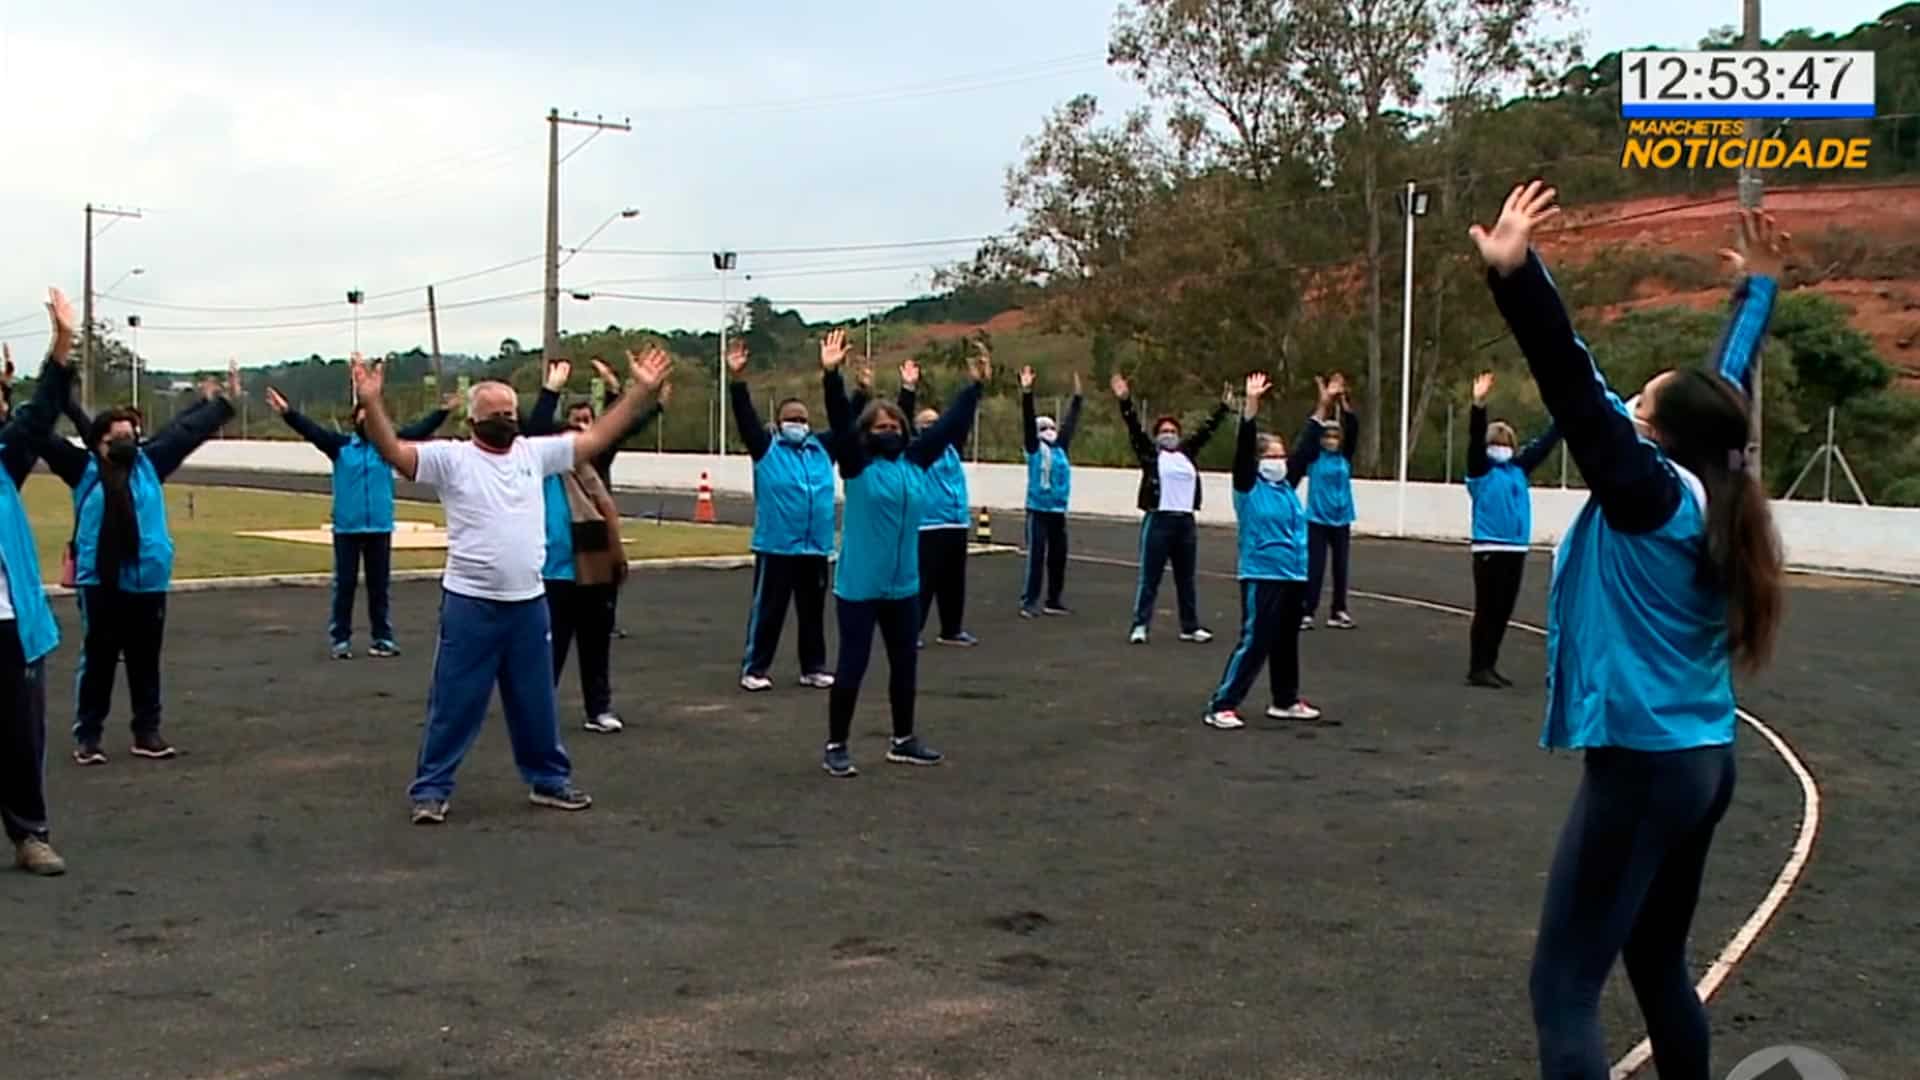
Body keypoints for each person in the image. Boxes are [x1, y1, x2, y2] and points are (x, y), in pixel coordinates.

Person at [1471, 184, 1786, 1080]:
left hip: (1645, 769)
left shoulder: (1648, 494)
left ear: (1657, 435)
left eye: (1641, 406)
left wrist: (1517, 274)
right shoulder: (1714, 486)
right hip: (1700, 758)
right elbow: (1719, 392)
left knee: (1563, 990)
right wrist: (1753, 296)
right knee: (1654, 963)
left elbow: (1573, 386)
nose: (1630, 408)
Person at [350, 349, 669, 824]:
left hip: (528, 604)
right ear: (473, 419)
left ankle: (548, 780)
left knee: (535, 701)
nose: (504, 420)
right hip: (470, 603)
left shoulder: (533, 454)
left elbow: (599, 435)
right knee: (454, 703)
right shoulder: (452, 460)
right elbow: (395, 451)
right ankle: (432, 789)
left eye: (510, 414)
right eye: (495, 414)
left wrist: (640, 391)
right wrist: (373, 404)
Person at [41, 365, 236, 765]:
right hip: (102, 582)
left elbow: (186, 433)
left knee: (146, 662)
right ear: (99, 444)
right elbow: (39, 435)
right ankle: (88, 736)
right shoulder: (83, 470)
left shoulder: (149, 464)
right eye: (119, 439)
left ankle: (146, 733)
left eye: (132, 436)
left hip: (148, 581)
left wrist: (221, 405)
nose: (129, 442)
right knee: (98, 661)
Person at [818, 330, 985, 778]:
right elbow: (838, 421)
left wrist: (975, 387)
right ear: (866, 434)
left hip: (903, 586)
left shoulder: (915, 462)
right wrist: (831, 376)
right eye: (880, 426)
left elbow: (949, 426)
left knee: (905, 665)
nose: (890, 431)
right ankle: (837, 744)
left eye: (895, 426)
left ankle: (903, 739)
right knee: (853, 665)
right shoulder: (857, 466)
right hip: (859, 586)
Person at [525, 356, 667, 733]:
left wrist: (636, 393)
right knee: (549, 648)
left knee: (596, 642)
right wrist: (550, 389)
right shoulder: (543, 460)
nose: (584, 432)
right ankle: (539, 710)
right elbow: (534, 428)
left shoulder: (598, 456)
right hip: (553, 566)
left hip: (595, 559)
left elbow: (625, 424)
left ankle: (598, 708)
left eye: (590, 423)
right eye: (576, 425)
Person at [265, 385, 451, 659]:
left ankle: (382, 638)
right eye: (364, 417)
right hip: (347, 529)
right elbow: (311, 430)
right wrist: (287, 412)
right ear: (355, 421)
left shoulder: (388, 447)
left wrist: (442, 412)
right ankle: (340, 639)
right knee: (345, 585)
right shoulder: (340, 447)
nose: (369, 422)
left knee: (379, 587)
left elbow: (419, 431)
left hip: (379, 527)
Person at [1202, 373, 1331, 731]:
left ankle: (1285, 700)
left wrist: (1323, 406)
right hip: (1261, 572)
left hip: (1292, 572)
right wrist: (1251, 405)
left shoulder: (1286, 485)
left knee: (1286, 640)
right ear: (1259, 460)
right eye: (1272, 455)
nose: (1280, 460)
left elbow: (1306, 450)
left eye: (1281, 455)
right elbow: (1243, 449)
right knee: (1256, 638)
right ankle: (1223, 703)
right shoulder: (1247, 487)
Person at [3, 290, 80, 874]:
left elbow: (39, 412)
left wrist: (60, 344)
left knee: (21, 737)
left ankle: (31, 834)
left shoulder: (5, 457)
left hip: (9, 624)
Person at [727, 337, 847, 693]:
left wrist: (835, 375)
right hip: (778, 546)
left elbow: (845, 419)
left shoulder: (822, 449)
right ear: (779, 423)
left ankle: (813, 667)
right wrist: (737, 379)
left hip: (815, 546)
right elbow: (745, 416)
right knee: (769, 611)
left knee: (812, 613)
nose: (798, 423)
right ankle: (756, 668)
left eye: (803, 419)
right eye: (791, 418)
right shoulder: (766, 447)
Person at [1113, 374, 1230, 645]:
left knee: (1186, 578)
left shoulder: (1186, 455)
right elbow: (1133, 427)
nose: (1169, 435)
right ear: (1156, 437)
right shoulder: (1152, 456)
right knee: (1150, 577)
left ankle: (1189, 626)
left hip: (1185, 522)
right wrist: (1125, 401)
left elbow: (1206, 431)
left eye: (1173, 431)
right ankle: (1140, 625)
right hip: (1159, 520)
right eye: (1164, 432)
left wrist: (1223, 408)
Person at [1462, 370, 1561, 689]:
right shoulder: (1480, 471)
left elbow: (1544, 446)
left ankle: (1490, 664)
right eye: (1496, 443)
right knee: (1487, 609)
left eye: (1505, 443)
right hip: (1490, 547)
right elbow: (1475, 441)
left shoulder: (1518, 469)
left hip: (1516, 547)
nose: (1500, 447)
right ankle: (1478, 666)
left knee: (1503, 610)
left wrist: (1563, 417)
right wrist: (1479, 406)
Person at [894, 363, 978, 648]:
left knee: (954, 580)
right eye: (926, 424)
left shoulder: (952, 447)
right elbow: (901, 424)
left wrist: (975, 385)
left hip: (956, 521)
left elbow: (962, 417)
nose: (932, 427)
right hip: (928, 523)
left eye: (936, 423)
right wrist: (908, 389)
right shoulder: (915, 451)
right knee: (924, 580)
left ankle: (951, 629)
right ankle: (911, 629)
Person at [1017, 366, 1083, 619]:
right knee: (1036, 557)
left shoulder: (1060, 449)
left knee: (1058, 557)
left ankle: (1053, 600)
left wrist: (1077, 398)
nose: (1050, 431)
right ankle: (1029, 601)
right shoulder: (1034, 449)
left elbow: (1071, 423)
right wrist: (1027, 392)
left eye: (1051, 426)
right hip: (1038, 510)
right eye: (1044, 427)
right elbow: (1026, 418)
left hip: (1058, 510)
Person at [1300, 374, 1359, 631]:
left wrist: (1344, 401)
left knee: (1340, 567)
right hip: (1317, 518)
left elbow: (1353, 428)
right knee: (1315, 566)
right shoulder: (1314, 457)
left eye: (1335, 436)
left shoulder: (1344, 458)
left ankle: (1339, 610)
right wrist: (1323, 404)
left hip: (1342, 517)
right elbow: (1309, 436)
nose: (1331, 440)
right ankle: (1307, 610)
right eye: (1327, 436)